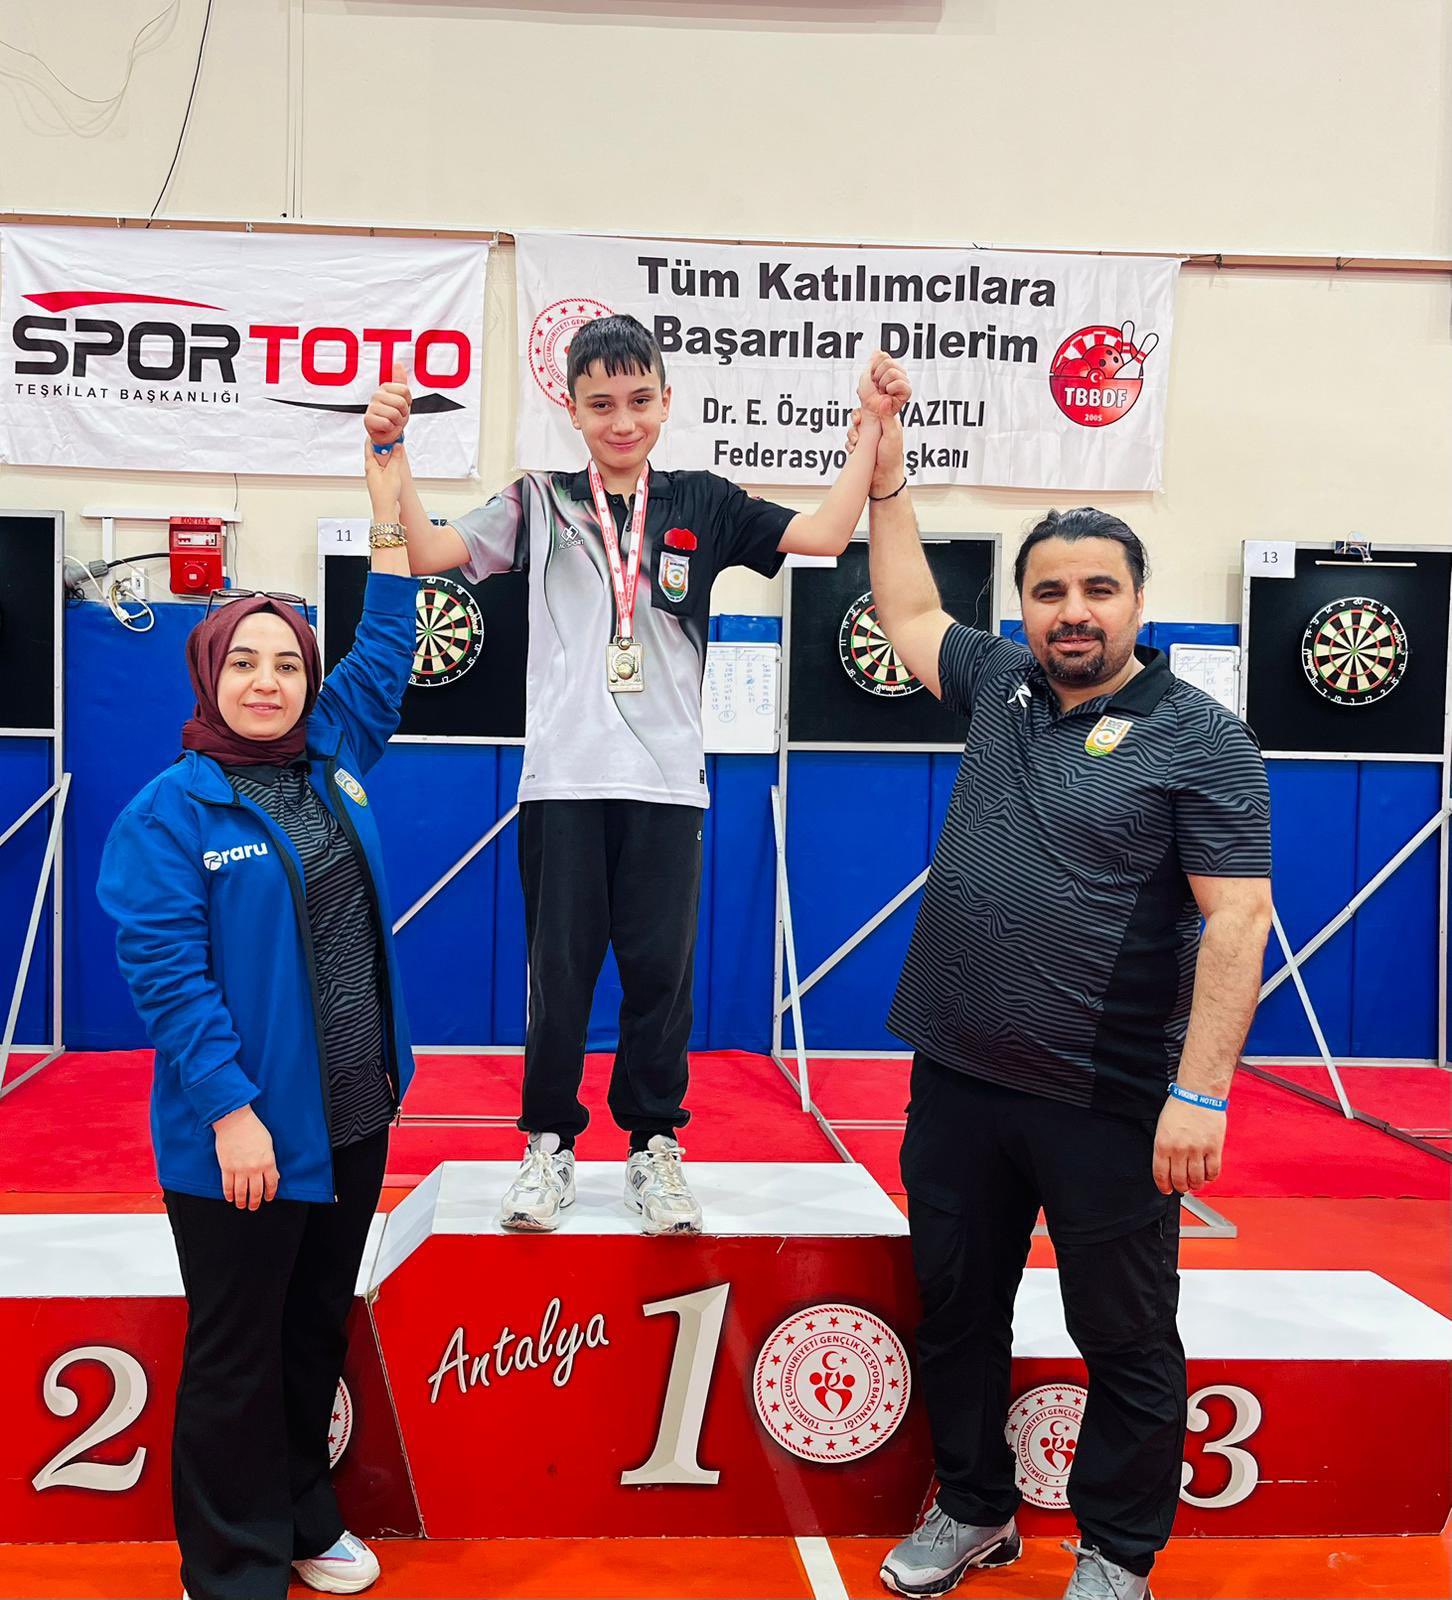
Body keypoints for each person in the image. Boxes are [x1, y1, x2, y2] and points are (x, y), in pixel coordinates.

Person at [853, 396, 1272, 1600]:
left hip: (1110, 1098)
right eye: (1048, 592)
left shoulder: (1202, 739)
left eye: (1097, 589)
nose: (1072, 611)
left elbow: (1238, 919)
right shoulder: (999, 683)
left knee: (1124, 1334)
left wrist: (1201, 1092)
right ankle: (974, 1506)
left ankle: (1117, 1552)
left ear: (1137, 602)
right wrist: (887, 480)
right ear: (1024, 607)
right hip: (957, 1079)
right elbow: (908, 609)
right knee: (957, 1309)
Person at [364, 317, 909, 1234]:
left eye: (640, 401)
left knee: (661, 979)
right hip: (562, 783)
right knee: (559, 979)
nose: (623, 421)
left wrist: (870, 431)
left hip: (667, 787)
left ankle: (654, 1148)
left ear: (666, 400)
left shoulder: (705, 501)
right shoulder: (539, 501)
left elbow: (822, 535)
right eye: (602, 405)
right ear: (572, 410)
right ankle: (548, 1144)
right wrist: (392, 458)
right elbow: (428, 552)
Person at [97, 443, 424, 1600]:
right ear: (209, 672)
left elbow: (387, 647)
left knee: (311, 1329)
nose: (269, 681)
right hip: (244, 1137)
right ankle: (231, 1564)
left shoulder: (331, 761)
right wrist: (233, 1112)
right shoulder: (169, 813)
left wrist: (389, 505)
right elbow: (169, 978)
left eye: (288, 663)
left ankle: (300, 1516)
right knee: (238, 1351)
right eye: (245, 660)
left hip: (351, 1119)